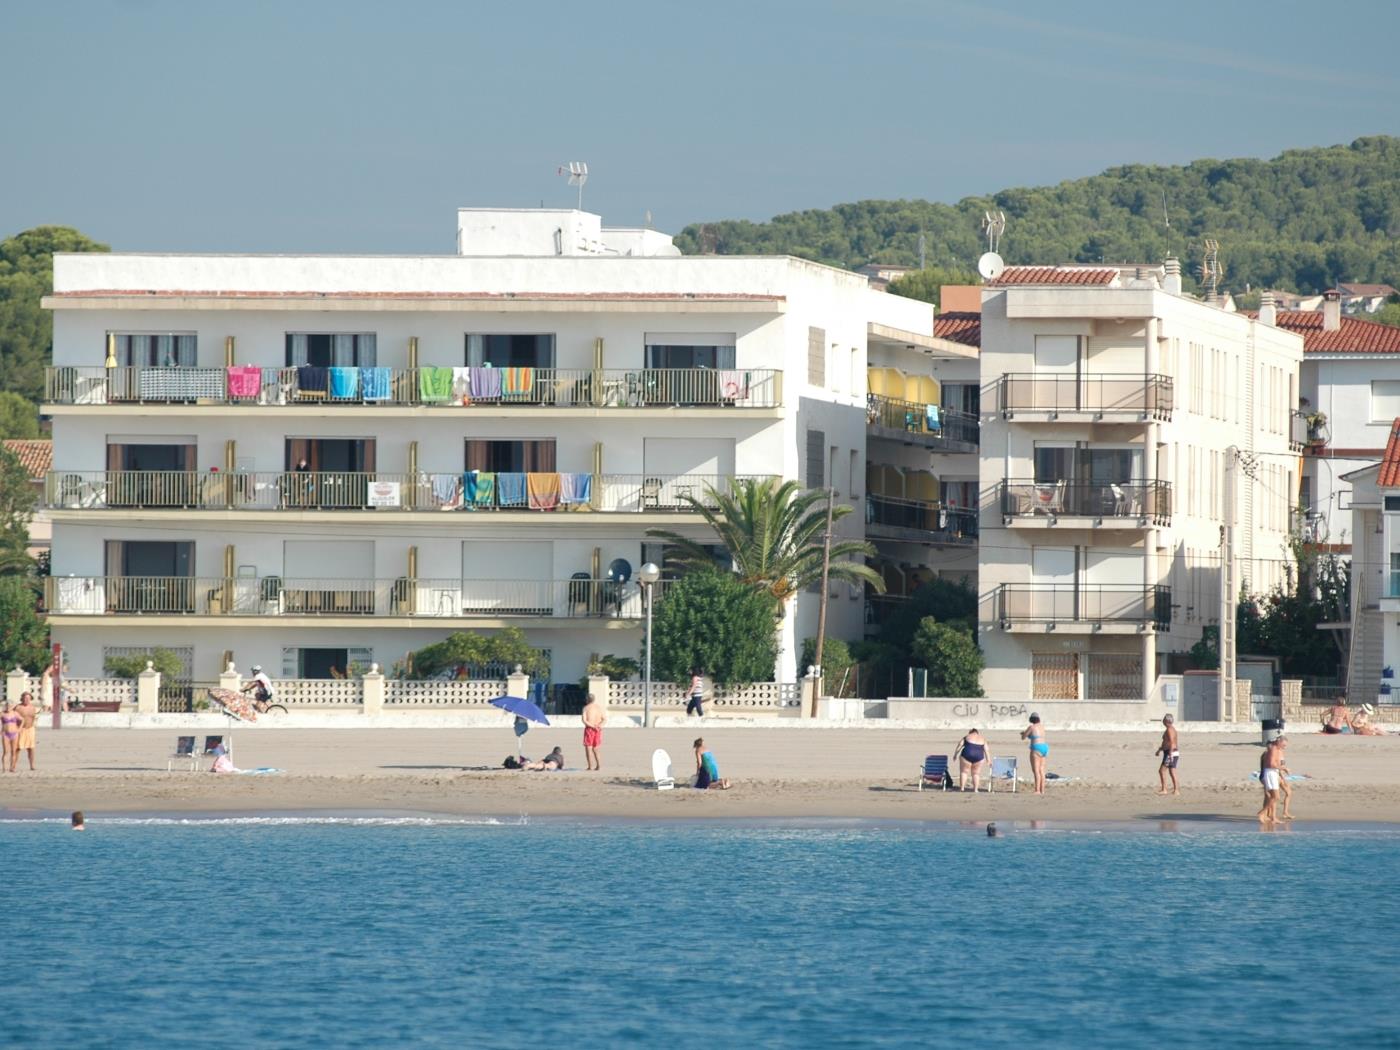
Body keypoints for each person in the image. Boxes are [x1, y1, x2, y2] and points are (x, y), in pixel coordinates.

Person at [1020, 713, 1048, 795]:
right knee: (1042, 770)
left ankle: (1037, 790)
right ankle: (1042, 790)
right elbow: (1036, 736)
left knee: (1036, 770)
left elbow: (1023, 737)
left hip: (1036, 748)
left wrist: (1023, 734)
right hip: (1044, 747)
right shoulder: (1042, 727)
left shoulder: (1031, 727)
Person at [1257, 737, 1282, 824]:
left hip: (1268, 775)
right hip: (1265, 775)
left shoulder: (1271, 753)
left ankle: (1270, 816)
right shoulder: (1267, 753)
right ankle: (1264, 814)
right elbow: (1269, 765)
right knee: (1270, 796)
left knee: (1270, 796)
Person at [11, 692, 38, 772]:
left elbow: (34, 718)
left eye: (29, 698)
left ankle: (32, 766)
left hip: (30, 729)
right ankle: (13, 766)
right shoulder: (18, 707)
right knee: (17, 749)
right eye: (25, 698)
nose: (27, 700)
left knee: (31, 749)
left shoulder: (33, 708)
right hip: (20, 729)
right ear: (22, 698)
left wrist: (35, 725)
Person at [1155, 714, 1180, 795]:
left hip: (1170, 752)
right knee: (1172, 771)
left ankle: (1164, 789)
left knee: (1162, 771)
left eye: (1164, 719)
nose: (1163, 721)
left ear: (1167, 721)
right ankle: (1176, 791)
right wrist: (1159, 750)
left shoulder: (1170, 729)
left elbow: (1172, 742)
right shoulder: (1170, 729)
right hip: (1171, 752)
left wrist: (1170, 754)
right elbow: (1167, 742)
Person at [581, 693, 606, 771]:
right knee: (596, 748)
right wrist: (599, 726)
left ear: (587, 700)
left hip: (590, 729)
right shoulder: (598, 708)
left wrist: (592, 726)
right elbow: (604, 719)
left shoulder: (586, 708)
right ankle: (598, 765)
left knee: (588, 748)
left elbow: (584, 720)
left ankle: (590, 766)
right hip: (598, 729)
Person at [1275, 737, 1296, 820]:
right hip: (1277, 776)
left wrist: (1285, 770)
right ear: (1279, 743)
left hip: (1281, 775)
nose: (1285, 747)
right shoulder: (1276, 751)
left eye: (1286, 745)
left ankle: (1285, 812)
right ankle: (1270, 814)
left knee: (1289, 792)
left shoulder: (1281, 752)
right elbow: (1276, 765)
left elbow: (1282, 764)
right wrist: (1283, 778)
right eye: (1284, 745)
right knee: (1275, 796)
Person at [1, 700, 18, 772]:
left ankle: (12, 767)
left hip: (14, 734)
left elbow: (22, 720)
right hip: (5, 734)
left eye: (10, 706)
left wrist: (19, 729)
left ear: (12, 706)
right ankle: (4, 767)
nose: (8, 707)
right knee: (5, 751)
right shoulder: (2, 714)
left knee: (13, 751)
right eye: (7, 705)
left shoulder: (15, 713)